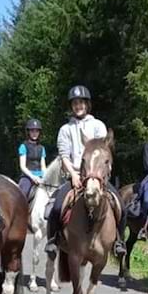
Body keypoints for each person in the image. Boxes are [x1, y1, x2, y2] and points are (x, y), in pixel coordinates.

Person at [44, 85, 126, 256]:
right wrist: (73, 175)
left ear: (87, 104)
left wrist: (101, 174)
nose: (78, 106)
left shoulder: (98, 126)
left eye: (81, 102)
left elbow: (105, 151)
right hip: (75, 175)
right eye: (75, 103)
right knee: (57, 205)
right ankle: (53, 240)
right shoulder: (65, 130)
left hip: (97, 176)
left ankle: (119, 240)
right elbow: (64, 156)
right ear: (71, 106)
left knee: (120, 205)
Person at [18, 118, 47, 200]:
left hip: (40, 177)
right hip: (27, 177)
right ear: (28, 132)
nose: (34, 133)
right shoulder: (23, 146)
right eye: (32, 131)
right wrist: (33, 177)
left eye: (37, 131)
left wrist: (44, 177)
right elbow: (22, 166)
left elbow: (43, 166)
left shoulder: (42, 148)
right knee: (23, 194)